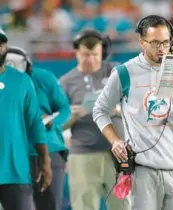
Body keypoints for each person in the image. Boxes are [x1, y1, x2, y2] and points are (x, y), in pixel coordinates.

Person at [93, 15, 173, 210]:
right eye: (155, 43)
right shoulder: (124, 73)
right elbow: (100, 110)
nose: (161, 48)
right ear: (142, 42)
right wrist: (115, 140)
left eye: (166, 42)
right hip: (143, 171)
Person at [59, 29, 128, 210]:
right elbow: (57, 125)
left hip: (117, 152)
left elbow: (138, 105)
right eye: (86, 55)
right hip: (82, 154)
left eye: (95, 55)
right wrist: (72, 116)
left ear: (103, 52)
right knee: (84, 206)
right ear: (76, 53)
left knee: (123, 205)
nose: (91, 59)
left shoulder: (116, 72)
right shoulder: (66, 82)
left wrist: (118, 109)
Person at [5, 46, 71, 210]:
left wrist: (51, 123)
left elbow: (64, 109)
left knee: (50, 204)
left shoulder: (43, 78)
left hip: (50, 147)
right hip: (17, 154)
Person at [0, 29, 52, 210]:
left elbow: (35, 125)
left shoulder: (22, 81)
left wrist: (45, 162)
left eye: (1, 42)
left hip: (16, 173)